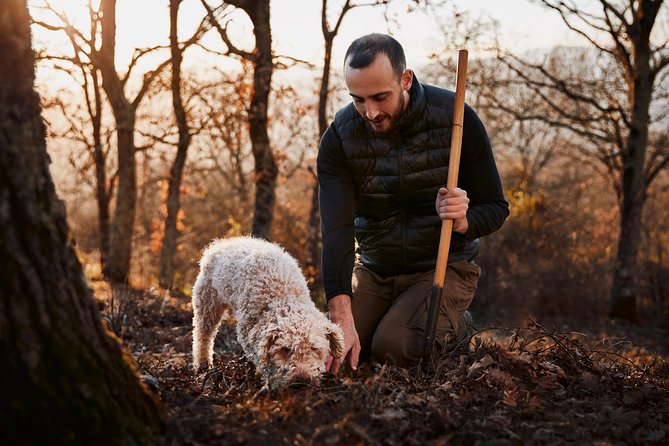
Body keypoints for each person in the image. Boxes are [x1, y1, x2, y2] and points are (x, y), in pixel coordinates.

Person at [318, 33, 509, 375]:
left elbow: (496, 207)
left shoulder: (455, 119)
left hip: (442, 266)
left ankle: (457, 325)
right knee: (332, 351)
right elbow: (337, 230)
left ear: (405, 79)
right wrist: (340, 314)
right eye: (358, 100)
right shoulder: (340, 138)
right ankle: (396, 319)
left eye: (380, 97)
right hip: (375, 269)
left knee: (394, 349)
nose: (370, 112)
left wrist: (465, 220)